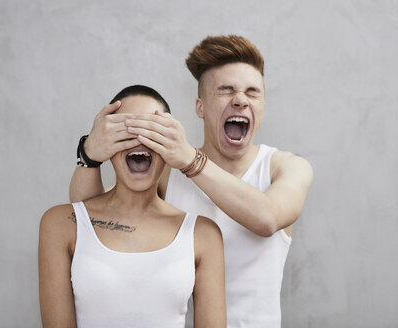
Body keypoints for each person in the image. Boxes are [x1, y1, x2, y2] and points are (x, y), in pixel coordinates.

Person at [69, 36, 314, 327]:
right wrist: (89, 156)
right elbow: (88, 219)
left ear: (262, 106)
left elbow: (267, 219)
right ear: (200, 108)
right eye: (226, 90)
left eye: (252, 92)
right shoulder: (167, 171)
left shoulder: (287, 167)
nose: (240, 99)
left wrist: (189, 160)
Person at [39, 85, 226, 328]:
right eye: (126, 131)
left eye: (153, 131)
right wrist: (88, 152)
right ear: (105, 142)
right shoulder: (59, 224)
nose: (140, 141)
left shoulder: (203, 234)